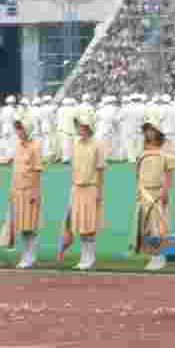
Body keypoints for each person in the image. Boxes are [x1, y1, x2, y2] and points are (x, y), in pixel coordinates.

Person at [134, 120, 175, 271]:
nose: (149, 133)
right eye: (147, 130)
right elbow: (138, 172)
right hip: (144, 190)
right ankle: (152, 256)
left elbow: (169, 172)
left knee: (158, 225)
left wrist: (165, 190)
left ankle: (160, 256)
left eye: (152, 130)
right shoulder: (142, 150)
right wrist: (138, 190)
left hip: (158, 191)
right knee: (147, 225)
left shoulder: (165, 149)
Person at [67, 112, 106, 270]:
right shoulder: (75, 145)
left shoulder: (97, 145)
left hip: (91, 188)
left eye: (82, 126)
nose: (79, 129)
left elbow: (100, 170)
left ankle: (90, 257)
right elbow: (73, 168)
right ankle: (84, 256)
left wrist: (99, 191)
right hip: (77, 188)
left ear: (88, 127)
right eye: (78, 126)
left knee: (89, 225)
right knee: (80, 225)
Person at [8, 120, 43, 269]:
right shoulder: (17, 146)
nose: (19, 132)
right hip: (17, 190)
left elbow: (36, 170)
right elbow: (15, 170)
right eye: (17, 129)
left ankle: (30, 256)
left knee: (29, 226)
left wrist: (35, 191)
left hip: (29, 190)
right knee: (22, 226)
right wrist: (11, 190)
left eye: (21, 129)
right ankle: (26, 255)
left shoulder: (35, 147)